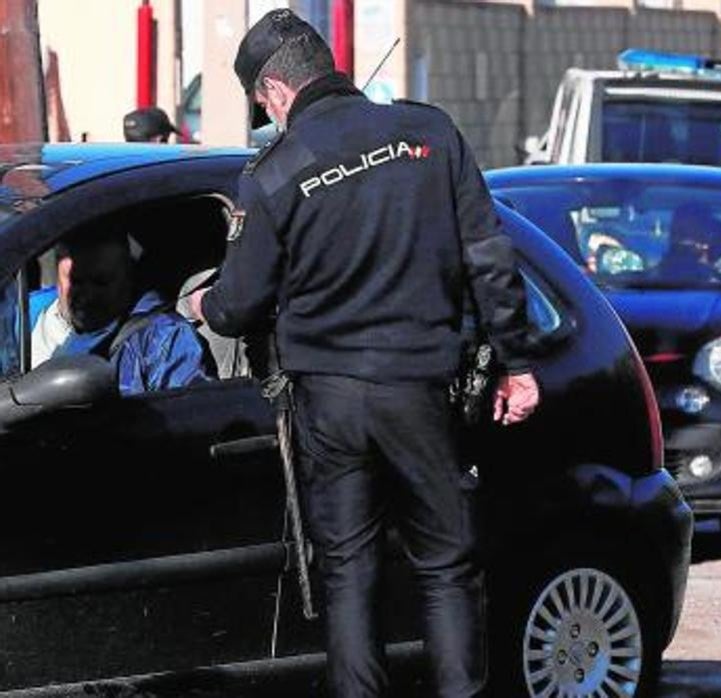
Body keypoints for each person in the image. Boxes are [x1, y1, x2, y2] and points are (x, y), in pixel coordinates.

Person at [188, 9, 539, 697]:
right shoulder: (429, 133)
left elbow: (238, 306)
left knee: (349, 572)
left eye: (263, 106)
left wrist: (200, 303)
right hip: (421, 386)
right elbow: (490, 259)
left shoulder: (274, 172)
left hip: (331, 402)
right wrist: (518, 363)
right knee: (446, 566)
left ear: (276, 93)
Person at [27, 230, 212, 394]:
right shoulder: (25, 314)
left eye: (101, 282)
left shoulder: (162, 338)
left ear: (127, 278)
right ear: (58, 279)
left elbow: (190, 417)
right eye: (76, 281)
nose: (88, 294)